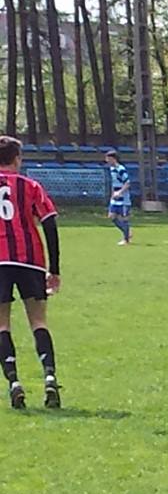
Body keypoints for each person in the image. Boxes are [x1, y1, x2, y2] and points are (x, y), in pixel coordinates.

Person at [0, 136, 62, 409]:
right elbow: (49, 224)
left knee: (2, 324)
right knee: (38, 321)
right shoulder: (31, 186)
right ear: (16, 159)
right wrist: (54, 269)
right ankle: (50, 378)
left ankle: (14, 382)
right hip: (30, 260)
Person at [105, 150, 132, 246]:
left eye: (108, 158)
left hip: (123, 198)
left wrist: (120, 192)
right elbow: (114, 183)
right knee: (112, 216)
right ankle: (127, 232)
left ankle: (126, 239)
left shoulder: (121, 169)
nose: (107, 160)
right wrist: (112, 195)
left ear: (113, 159)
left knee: (124, 218)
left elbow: (127, 183)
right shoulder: (111, 169)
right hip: (115, 198)